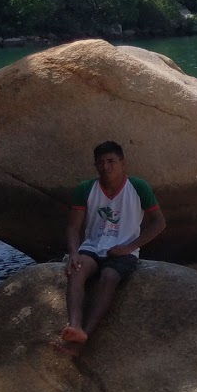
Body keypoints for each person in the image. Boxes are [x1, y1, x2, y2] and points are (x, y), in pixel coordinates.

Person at [58, 141, 165, 357]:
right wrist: (74, 252)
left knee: (109, 276)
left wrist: (130, 247)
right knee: (77, 270)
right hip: (93, 247)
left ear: (122, 163)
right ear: (95, 166)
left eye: (111, 161)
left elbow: (159, 223)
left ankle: (84, 337)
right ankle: (76, 326)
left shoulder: (138, 187)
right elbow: (73, 226)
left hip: (124, 250)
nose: (106, 167)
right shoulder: (86, 189)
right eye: (101, 163)